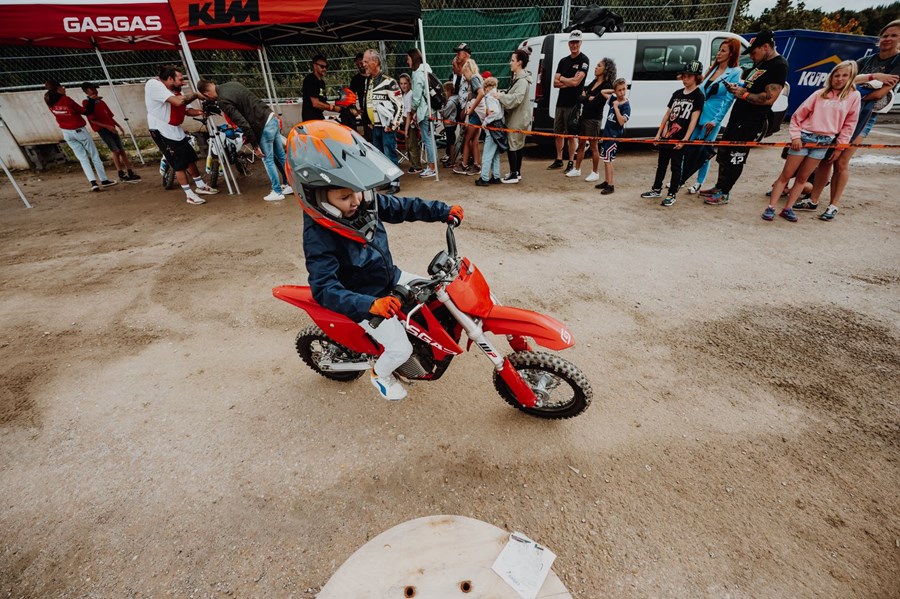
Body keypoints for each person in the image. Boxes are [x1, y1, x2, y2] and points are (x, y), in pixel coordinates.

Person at [292, 120, 463, 401]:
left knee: (439, 295)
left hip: (390, 277)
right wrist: (370, 304)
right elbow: (324, 288)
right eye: (345, 196)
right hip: (362, 299)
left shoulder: (362, 202)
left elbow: (402, 207)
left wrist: (441, 211)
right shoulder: (318, 236)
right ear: (317, 196)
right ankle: (380, 375)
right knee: (400, 349)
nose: (356, 200)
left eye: (357, 191)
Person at [804, 19, 900, 221]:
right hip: (840, 115)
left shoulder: (897, 62)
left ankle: (833, 205)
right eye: (885, 35)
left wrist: (851, 92)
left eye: (894, 35)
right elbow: (839, 79)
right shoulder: (867, 60)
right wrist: (872, 77)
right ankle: (813, 199)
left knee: (841, 161)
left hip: (864, 118)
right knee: (826, 159)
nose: (888, 39)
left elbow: (878, 94)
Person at [763, 61, 859, 223]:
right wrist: (796, 137)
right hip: (805, 138)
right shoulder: (819, 94)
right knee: (786, 175)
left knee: (803, 178)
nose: (840, 79)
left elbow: (850, 124)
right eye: (836, 75)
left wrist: (840, 147)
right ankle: (771, 207)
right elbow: (797, 116)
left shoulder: (853, 97)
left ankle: (788, 208)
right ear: (831, 77)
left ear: (851, 77)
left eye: (845, 75)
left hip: (825, 142)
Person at [700, 29, 787, 206]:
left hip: (750, 121)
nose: (752, 56)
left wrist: (744, 94)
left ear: (765, 47)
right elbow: (748, 86)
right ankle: (719, 186)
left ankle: (725, 192)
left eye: (754, 52)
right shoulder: (759, 64)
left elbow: (769, 98)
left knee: (735, 156)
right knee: (724, 153)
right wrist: (736, 88)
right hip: (737, 117)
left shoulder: (778, 65)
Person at [197, 79, 293, 202]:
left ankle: (277, 191)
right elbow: (254, 99)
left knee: (267, 160)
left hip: (262, 126)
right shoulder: (232, 84)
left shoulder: (222, 101)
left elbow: (242, 123)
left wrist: (255, 145)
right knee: (281, 156)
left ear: (206, 94)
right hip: (270, 117)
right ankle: (292, 185)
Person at [145, 65, 218, 205]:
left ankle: (200, 185)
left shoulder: (176, 90)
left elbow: (187, 110)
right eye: (180, 79)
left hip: (175, 129)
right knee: (178, 164)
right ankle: (189, 194)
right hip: (162, 131)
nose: (183, 82)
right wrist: (196, 95)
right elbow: (178, 102)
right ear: (170, 78)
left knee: (190, 158)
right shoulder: (153, 85)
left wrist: (202, 112)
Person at [680, 38, 742, 194]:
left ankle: (699, 182)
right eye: (719, 50)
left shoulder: (735, 72)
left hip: (713, 117)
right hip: (698, 113)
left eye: (723, 51)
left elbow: (728, 100)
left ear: (731, 54)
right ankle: (680, 178)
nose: (719, 53)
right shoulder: (711, 69)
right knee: (688, 146)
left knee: (704, 151)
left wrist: (716, 120)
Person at [641, 60, 705, 207]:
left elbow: (694, 120)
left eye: (689, 76)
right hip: (666, 135)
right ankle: (656, 189)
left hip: (680, 137)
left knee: (676, 166)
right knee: (661, 164)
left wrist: (685, 139)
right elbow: (667, 114)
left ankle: (672, 193)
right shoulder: (677, 93)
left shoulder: (698, 95)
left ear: (696, 77)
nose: (685, 79)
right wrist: (658, 133)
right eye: (684, 75)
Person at [44, 80, 117, 193]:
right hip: (79, 131)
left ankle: (93, 183)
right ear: (58, 89)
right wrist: (92, 100)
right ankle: (104, 180)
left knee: (83, 158)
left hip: (66, 132)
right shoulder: (66, 99)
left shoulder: (49, 102)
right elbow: (85, 111)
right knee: (94, 155)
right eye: (62, 87)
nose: (64, 88)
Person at [361, 49, 404, 194]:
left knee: (390, 152)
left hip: (387, 127)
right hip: (375, 127)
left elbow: (399, 105)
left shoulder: (389, 82)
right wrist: (368, 120)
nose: (363, 64)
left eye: (366, 61)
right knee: (379, 156)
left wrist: (393, 125)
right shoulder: (368, 81)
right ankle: (387, 181)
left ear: (375, 62)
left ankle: (395, 183)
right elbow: (367, 102)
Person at [80, 82, 140, 183]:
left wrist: (118, 125)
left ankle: (130, 171)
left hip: (111, 127)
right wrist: (107, 126)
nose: (95, 91)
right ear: (86, 91)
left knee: (121, 150)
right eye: (92, 89)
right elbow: (92, 120)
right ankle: (120, 173)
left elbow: (109, 116)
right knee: (115, 150)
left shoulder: (101, 102)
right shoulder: (87, 102)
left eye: (95, 88)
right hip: (103, 129)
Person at [567, 57, 616, 181]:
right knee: (581, 144)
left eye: (599, 65)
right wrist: (588, 98)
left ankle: (595, 172)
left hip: (594, 119)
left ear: (606, 69)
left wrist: (587, 98)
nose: (596, 67)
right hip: (584, 116)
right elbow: (580, 97)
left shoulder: (607, 85)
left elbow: (596, 103)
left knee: (594, 146)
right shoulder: (594, 82)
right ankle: (577, 169)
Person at [548, 30, 589, 173]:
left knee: (571, 133)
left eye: (577, 42)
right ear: (569, 44)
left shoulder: (584, 60)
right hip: (561, 102)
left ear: (580, 43)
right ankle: (559, 159)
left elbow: (576, 83)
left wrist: (563, 79)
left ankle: (571, 161)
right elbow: (555, 83)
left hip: (573, 103)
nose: (574, 45)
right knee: (558, 132)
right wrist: (569, 81)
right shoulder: (563, 61)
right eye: (572, 42)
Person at [493, 48, 532, 184]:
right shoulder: (520, 79)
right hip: (521, 117)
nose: (510, 63)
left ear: (519, 62)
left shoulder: (521, 81)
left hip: (517, 118)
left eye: (513, 60)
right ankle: (517, 172)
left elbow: (517, 98)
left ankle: (514, 173)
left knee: (513, 144)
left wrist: (500, 96)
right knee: (518, 144)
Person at [595, 78, 630, 195]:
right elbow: (602, 92)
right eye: (619, 90)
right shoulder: (614, 99)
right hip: (607, 134)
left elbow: (621, 121)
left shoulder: (626, 106)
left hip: (614, 136)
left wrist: (616, 108)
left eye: (624, 89)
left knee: (608, 160)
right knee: (605, 159)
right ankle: (606, 181)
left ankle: (611, 185)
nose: (622, 92)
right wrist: (614, 91)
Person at [408, 48, 438, 178]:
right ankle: (433, 165)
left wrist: (412, 110)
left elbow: (416, 97)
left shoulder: (417, 74)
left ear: (413, 58)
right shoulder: (426, 69)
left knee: (427, 140)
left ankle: (431, 167)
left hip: (424, 111)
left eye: (408, 59)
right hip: (431, 109)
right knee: (431, 139)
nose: (407, 61)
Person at [453, 58, 485, 175]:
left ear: (467, 70)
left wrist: (471, 109)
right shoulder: (478, 77)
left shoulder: (473, 78)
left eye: (464, 74)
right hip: (479, 114)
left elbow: (481, 93)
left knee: (466, 139)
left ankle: (464, 164)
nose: (464, 77)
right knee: (474, 140)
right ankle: (476, 165)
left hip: (475, 114)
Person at [475, 77, 504, 186]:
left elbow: (494, 112)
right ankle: (496, 176)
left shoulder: (489, 97)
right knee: (495, 154)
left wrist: (486, 122)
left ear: (486, 87)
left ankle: (484, 178)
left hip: (492, 127)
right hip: (499, 126)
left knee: (487, 154)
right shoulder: (497, 95)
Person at [398, 73, 423, 174]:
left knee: (412, 144)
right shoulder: (405, 94)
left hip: (410, 121)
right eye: (401, 83)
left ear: (409, 83)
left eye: (405, 83)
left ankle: (417, 165)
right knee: (408, 144)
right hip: (406, 119)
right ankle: (413, 164)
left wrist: (406, 128)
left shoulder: (410, 95)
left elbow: (409, 114)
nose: (403, 86)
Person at [302, 54, 337, 122]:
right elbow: (316, 103)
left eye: (326, 67)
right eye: (322, 66)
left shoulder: (322, 83)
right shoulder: (310, 79)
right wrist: (333, 108)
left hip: (319, 117)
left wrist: (338, 108)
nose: (324, 69)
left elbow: (322, 102)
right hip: (311, 119)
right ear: (315, 66)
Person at [441, 81, 462, 168]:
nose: (444, 93)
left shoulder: (450, 102)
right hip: (450, 123)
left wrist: (441, 111)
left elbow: (445, 113)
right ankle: (451, 159)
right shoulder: (453, 100)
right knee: (450, 142)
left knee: (451, 142)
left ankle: (452, 161)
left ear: (449, 91)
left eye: (445, 91)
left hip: (449, 124)